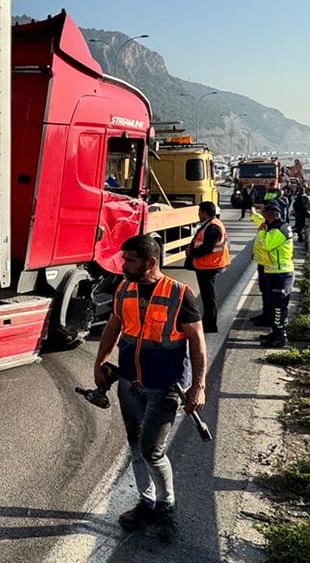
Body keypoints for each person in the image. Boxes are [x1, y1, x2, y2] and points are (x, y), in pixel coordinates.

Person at [94, 235, 207, 542]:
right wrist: (100, 361)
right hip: (130, 384)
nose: (123, 265)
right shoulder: (124, 288)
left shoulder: (181, 294)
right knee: (134, 446)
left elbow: (196, 343)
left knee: (151, 451)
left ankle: (166, 508)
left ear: (150, 263)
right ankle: (146, 503)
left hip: (164, 387)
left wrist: (198, 384)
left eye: (129, 260)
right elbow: (114, 325)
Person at [252, 203, 295, 347]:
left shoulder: (279, 229)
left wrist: (262, 232)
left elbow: (266, 245)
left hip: (281, 274)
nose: (263, 215)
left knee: (278, 307)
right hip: (273, 272)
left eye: (264, 213)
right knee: (273, 305)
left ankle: (280, 337)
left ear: (271, 214)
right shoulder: (275, 226)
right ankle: (275, 332)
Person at [186, 201, 230, 333]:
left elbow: (207, 247)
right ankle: (208, 321)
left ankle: (210, 324)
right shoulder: (211, 224)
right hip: (207, 264)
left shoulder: (213, 227)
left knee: (208, 296)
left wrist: (192, 252)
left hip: (209, 265)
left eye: (199, 212)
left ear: (205, 213)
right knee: (207, 296)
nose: (198, 215)